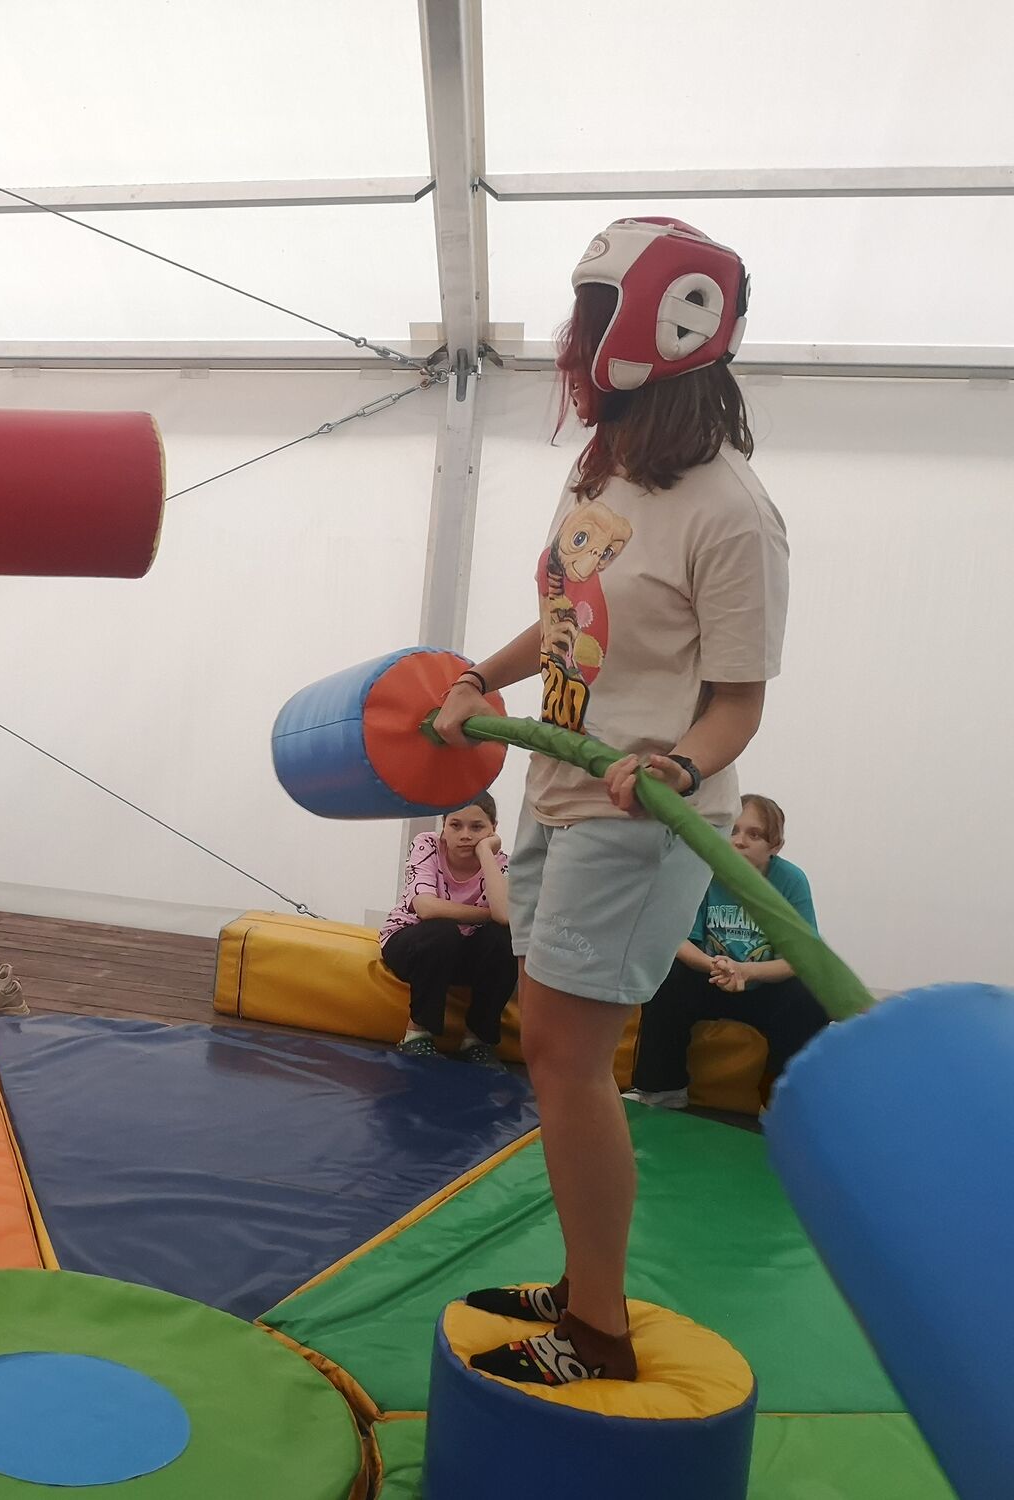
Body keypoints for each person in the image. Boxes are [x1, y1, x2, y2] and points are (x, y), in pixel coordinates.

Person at [432, 218, 788, 1384]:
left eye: (590, 318)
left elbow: (735, 703)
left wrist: (676, 765)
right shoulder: (607, 469)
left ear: (659, 330)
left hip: (635, 820)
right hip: (554, 789)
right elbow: (564, 619)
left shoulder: (731, 512)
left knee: (564, 1055)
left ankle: (595, 1327)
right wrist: (478, 676)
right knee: (551, 1053)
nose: (570, 342)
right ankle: (585, 1282)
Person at [627, 795, 827, 1106]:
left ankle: (781, 1103)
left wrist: (748, 971)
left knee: (811, 994)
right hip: (712, 979)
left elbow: (802, 957)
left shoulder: (790, 881)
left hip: (762, 988)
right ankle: (662, 1089)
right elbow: (677, 939)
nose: (739, 841)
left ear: (775, 846)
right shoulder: (703, 872)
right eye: (733, 830)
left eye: (754, 834)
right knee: (666, 976)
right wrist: (713, 965)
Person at [378, 795, 514, 1068]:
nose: (465, 835)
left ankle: (477, 1040)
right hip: (415, 943)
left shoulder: (500, 863)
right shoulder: (427, 845)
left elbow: (505, 916)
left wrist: (486, 853)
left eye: (477, 827)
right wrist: (486, 915)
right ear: (443, 825)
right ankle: (417, 1033)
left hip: (462, 954)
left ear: (493, 829)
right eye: (455, 825)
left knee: (504, 938)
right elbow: (426, 908)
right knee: (442, 931)